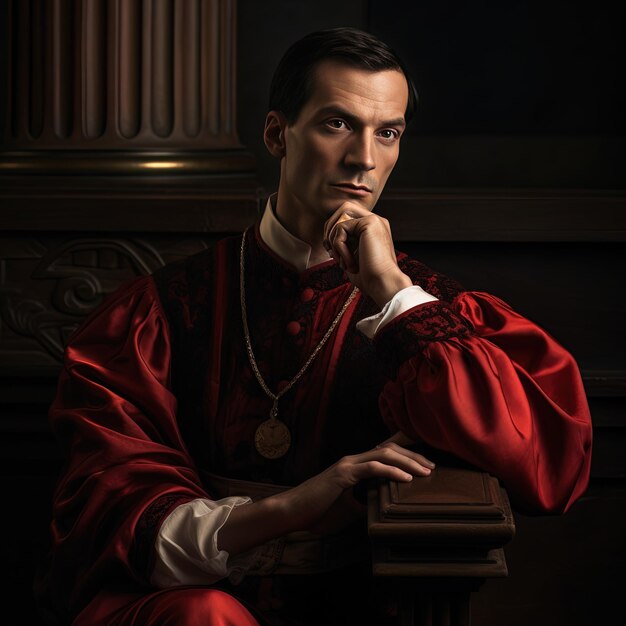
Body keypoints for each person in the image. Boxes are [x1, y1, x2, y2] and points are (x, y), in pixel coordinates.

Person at [36, 27, 592, 626]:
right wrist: (305, 502)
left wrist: (391, 293)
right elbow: (113, 516)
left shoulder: (436, 312)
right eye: (337, 124)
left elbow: (552, 469)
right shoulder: (161, 312)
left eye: (388, 133)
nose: (364, 159)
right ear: (277, 134)